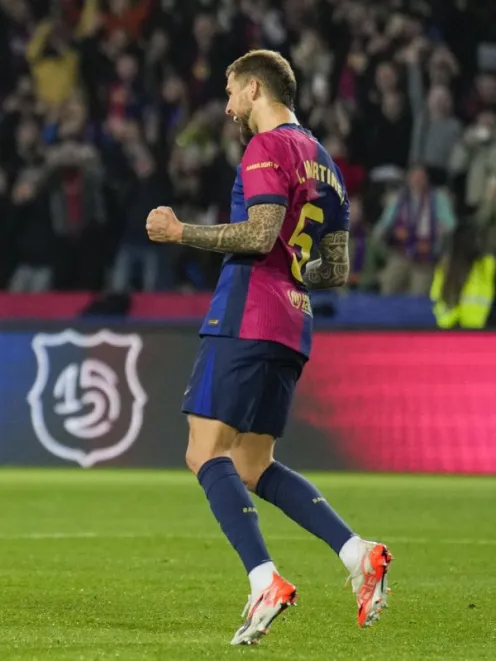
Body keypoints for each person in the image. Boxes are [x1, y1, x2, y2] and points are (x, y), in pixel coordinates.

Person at [146, 50, 391, 645]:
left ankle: (264, 579)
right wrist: (294, 262)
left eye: (231, 93)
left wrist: (181, 233)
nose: (228, 107)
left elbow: (258, 235)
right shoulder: (325, 162)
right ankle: (358, 552)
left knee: (205, 454)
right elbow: (335, 268)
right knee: (252, 465)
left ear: (254, 88)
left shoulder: (267, 148)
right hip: (293, 322)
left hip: (247, 312)